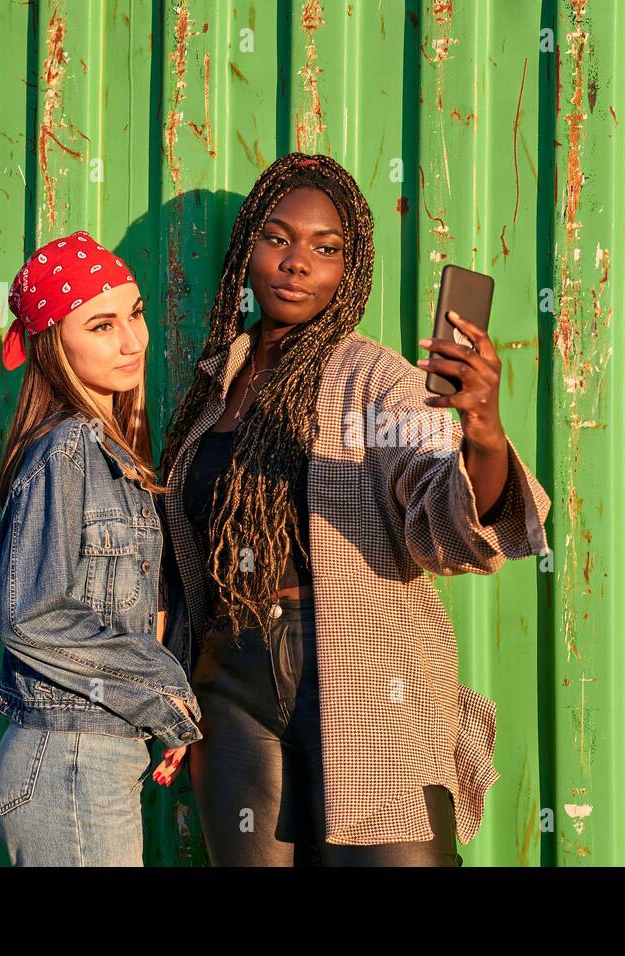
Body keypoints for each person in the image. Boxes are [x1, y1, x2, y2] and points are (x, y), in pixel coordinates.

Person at [155, 153, 551, 866]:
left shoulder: (379, 381)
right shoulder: (215, 387)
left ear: (350, 268)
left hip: (363, 674)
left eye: (325, 248)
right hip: (230, 683)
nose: (297, 262)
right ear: (247, 251)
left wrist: (483, 433)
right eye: (278, 239)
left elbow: (451, 521)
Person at [0, 231, 200, 866]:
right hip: (68, 759)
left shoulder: (111, 451)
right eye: (102, 325)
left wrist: (159, 704)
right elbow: (33, 615)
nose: (133, 341)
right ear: (55, 343)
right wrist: (162, 689)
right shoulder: (69, 448)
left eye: (135, 315)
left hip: (93, 755)